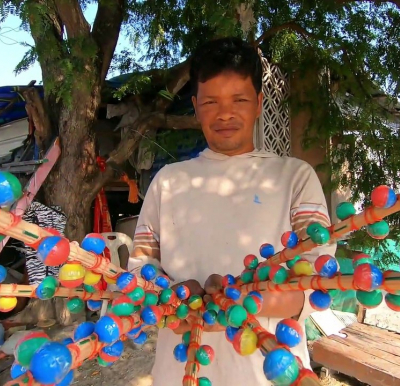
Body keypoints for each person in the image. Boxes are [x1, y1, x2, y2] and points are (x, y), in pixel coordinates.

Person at [127, 36, 336, 386]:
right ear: (195, 106)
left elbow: (316, 280)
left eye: (239, 99)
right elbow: (141, 268)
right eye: (211, 102)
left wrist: (246, 298)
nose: (225, 113)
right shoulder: (167, 181)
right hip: (182, 370)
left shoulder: (295, 176)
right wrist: (173, 294)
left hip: (271, 373)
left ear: (259, 103)